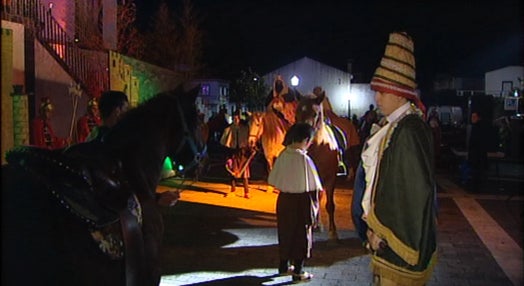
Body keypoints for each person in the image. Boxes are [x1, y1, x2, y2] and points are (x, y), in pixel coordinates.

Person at [356, 31, 437, 285]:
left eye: (382, 91)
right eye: (376, 91)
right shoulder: (397, 125)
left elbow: (414, 194)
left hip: (397, 249)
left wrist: (384, 236)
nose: (376, 98)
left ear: (400, 93)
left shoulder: (408, 130)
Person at [267, 123, 322, 282]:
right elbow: (314, 186)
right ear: (305, 140)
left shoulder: (283, 155)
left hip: (284, 200)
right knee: (301, 236)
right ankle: (298, 271)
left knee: (285, 233)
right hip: (302, 202)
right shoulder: (304, 159)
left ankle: (283, 266)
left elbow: (274, 180)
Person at [220, 110, 253, 198]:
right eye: (234, 118)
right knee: (233, 172)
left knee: (244, 172)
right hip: (233, 152)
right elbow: (225, 144)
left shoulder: (245, 128)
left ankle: (246, 192)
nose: (236, 119)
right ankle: (233, 190)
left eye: (237, 118)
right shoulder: (229, 129)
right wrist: (228, 156)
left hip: (243, 153)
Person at [466, 110, 498, 192]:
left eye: (474, 117)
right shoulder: (477, 127)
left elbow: (475, 142)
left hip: (477, 155)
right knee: (476, 173)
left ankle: (476, 188)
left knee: (476, 173)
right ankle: (476, 188)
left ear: (478, 118)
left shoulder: (477, 128)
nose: (472, 119)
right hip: (477, 154)